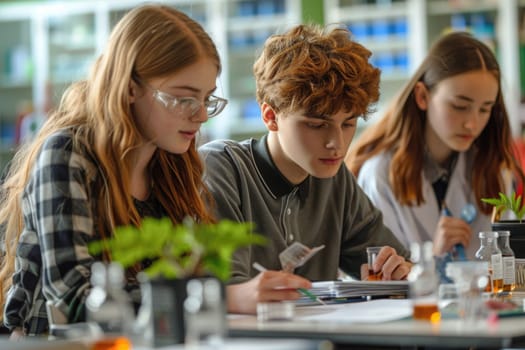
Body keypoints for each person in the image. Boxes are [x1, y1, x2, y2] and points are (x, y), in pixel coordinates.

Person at [0, 4, 226, 336]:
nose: (201, 115)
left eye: (207, 99)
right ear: (130, 87)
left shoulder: (173, 163)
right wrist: (218, 298)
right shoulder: (67, 155)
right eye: (183, 98)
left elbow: (192, 273)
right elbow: (74, 296)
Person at [199, 24, 412, 315]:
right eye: (316, 124)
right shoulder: (222, 169)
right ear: (270, 116)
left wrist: (399, 271)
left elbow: (398, 263)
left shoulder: (335, 179)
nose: (336, 144)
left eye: (348, 123)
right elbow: (218, 291)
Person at [346, 31, 524, 261]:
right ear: (422, 96)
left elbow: (502, 265)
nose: (472, 124)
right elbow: (378, 276)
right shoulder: (380, 173)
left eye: (484, 109)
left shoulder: (494, 170)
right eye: (460, 106)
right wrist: (432, 255)